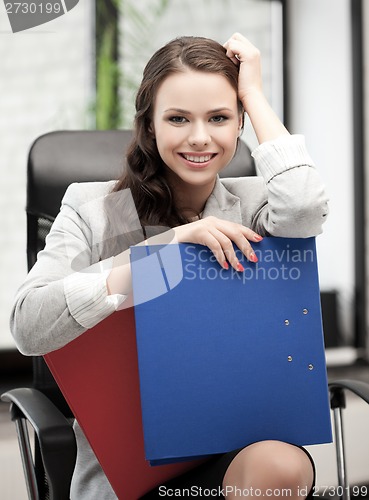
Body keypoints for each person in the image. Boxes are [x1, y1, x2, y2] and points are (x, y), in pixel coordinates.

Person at [11, 33, 328, 499]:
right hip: (131, 467)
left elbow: (302, 205)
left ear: (239, 123)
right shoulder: (99, 210)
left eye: (219, 118)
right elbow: (28, 325)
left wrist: (254, 93)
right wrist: (168, 249)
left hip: (238, 446)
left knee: (280, 465)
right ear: (150, 125)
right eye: (178, 118)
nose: (199, 137)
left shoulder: (255, 204)